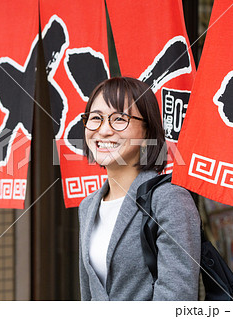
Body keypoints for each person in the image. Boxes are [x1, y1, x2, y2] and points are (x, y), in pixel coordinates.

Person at [78, 77, 201, 301]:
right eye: (95, 118)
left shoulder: (169, 199)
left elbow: (177, 296)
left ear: (147, 133)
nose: (104, 130)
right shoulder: (88, 206)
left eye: (119, 119)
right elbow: (89, 295)